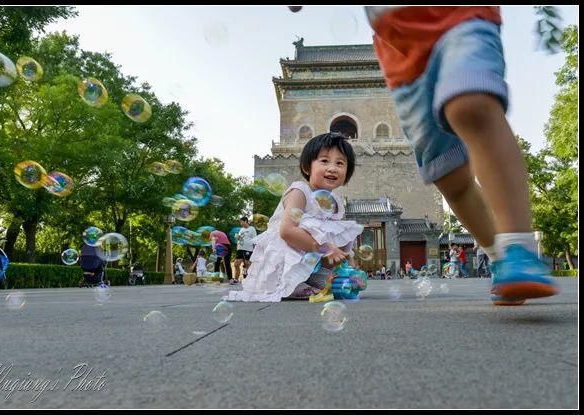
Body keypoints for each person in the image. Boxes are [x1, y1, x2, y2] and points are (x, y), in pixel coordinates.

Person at [363, 6, 558, 304]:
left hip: (461, 18)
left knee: (470, 105)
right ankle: (500, 259)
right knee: (448, 174)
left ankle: (519, 246)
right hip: (402, 58)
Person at [224, 132, 363, 302]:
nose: (332, 168)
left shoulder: (336, 204)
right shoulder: (300, 191)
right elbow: (287, 231)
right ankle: (291, 284)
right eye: (324, 161)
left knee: (344, 231)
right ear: (307, 167)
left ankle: (322, 278)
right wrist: (325, 248)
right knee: (310, 231)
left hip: (311, 255)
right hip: (285, 252)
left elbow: (335, 241)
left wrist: (348, 266)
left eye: (340, 163)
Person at [234, 216, 257, 281]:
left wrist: (255, 249)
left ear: (246, 221)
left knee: (247, 264)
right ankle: (236, 279)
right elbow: (240, 238)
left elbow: (255, 239)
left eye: (241, 222)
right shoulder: (241, 230)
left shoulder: (252, 229)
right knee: (236, 264)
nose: (240, 223)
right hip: (240, 248)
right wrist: (238, 237)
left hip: (248, 249)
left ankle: (246, 277)